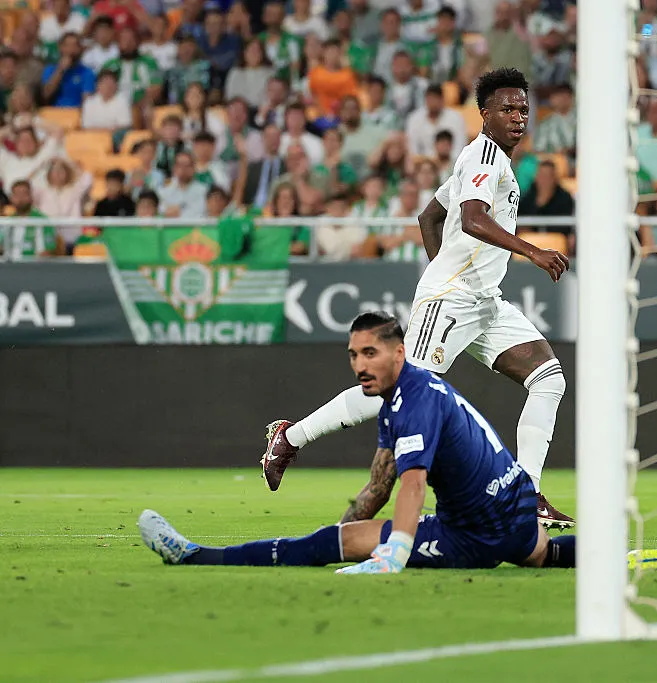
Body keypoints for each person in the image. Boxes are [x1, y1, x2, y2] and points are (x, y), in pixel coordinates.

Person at [262, 68, 575, 528]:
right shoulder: (484, 157)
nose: (518, 117)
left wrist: (443, 266)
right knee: (394, 392)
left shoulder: (486, 161)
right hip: (453, 299)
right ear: (484, 114)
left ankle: (525, 496)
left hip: (485, 301)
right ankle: (290, 438)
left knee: (548, 378)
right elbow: (472, 218)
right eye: (507, 109)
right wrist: (527, 252)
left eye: (523, 109)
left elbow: (429, 217)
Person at [140, 312, 577, 572]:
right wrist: (344, 535)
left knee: (323, 545)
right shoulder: (400, 399)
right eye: (354, 355)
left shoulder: (415, 401)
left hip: (475, 532)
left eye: (371, 354)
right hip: (516, 513)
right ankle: (604, 551)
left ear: (400, 353)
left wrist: (393, 552)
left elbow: (412, 484)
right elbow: (378, 488)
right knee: (546, 555)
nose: (360, 366)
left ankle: (195, 557)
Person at [405, 83, 466, 158]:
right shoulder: (414, 119)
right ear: (425, 100)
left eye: (436, 98)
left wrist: (449, 162)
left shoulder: (455, 118)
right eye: (430, 99)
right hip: (424, 162)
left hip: (450, 161)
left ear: (442, 100)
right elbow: (412, 148)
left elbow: (460, 145)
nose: (433, 102)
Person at [4, 180, 59, 260]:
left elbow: (49, 249)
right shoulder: (7, 222)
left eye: (24, 194)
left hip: (36, 265)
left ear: (31, 197)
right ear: (11, 198)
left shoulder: (43, 221)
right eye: (17, 195)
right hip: (9, 265)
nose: (21, 199)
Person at [42, 33, 96, 109]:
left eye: (74, 46)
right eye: (67, 45)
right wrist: (60, 70)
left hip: (76, 112)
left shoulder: (87, 72)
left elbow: (87, 101)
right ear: (60, 48)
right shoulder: (50, 69)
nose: (71, 49)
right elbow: (46, 94)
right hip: (54, 112)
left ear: (80, 49)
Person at [157, 150, 208, 218]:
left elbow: (201, 213)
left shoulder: (204, 191)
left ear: (194, 168)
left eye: (187, 165)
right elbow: (160, 211)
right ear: (174, 168)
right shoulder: (164, 191)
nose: (183, 169)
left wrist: (179, 213)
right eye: (180, 165)